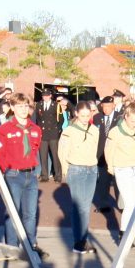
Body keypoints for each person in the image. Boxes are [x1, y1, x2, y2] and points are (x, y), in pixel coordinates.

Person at [0, 100, 43, 253]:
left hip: (31, 174)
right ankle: (12, 247)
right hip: (14, 175)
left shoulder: (35, 129)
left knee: (30, 213)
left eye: (26, 106)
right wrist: (6, 169)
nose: (23, 109)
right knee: (13, 212)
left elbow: (35, 149)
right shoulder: (4, 129)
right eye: (19, 106)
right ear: (12, 108)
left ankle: (30, 244)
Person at [57, 101, 103, 254]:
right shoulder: (69, 131)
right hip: (76, 169)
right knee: (79, 208)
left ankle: (83, 239)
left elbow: (95, 149)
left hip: (91, 169)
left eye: (87, 115)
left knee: (86, 207)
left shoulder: (95, 130)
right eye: (82, 115)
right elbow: (62, 151)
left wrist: (94, 167)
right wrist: (65, 171)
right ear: (76, 113)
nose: (85, 118)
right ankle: (79, 242)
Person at [102, 97, 135, 246]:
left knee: (134, 203)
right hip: (122, 169)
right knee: (129, 202)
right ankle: (123, 233)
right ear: (126, 116)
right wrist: (111, 167)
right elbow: (108, 150)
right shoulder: (116, 132)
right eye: (133, 121)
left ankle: (127, 233)